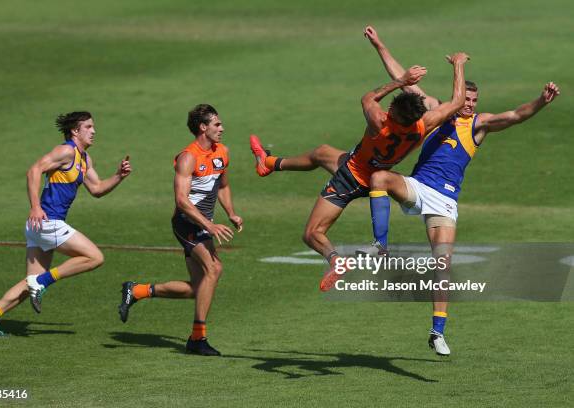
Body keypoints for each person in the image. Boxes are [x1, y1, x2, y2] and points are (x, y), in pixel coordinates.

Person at [364, 25, 560, 355]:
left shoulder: (478, 125)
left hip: (445, 201)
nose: (469, 104)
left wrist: (541, 100)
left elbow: (515, 115)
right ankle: (379, 247)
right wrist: (380, 46)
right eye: (466, 99)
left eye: (474, 100)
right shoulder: (439, 111)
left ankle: (437, 331)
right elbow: (405, 80)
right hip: (418, 186)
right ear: (459, 96)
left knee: (442, 263)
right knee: (380, 178)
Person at [250, 32, 469, 292]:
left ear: (393, 116)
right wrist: (458, 64)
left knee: (312, 233)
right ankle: (270, 163)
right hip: (378, 172)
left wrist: (400, 81)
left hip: (352, 176)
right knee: (321, 152)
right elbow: (456, 102)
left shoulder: (379, 123)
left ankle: (335, 261)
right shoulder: (423, 126)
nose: (387, 109)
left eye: (392, 109)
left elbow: (367, 98)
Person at [0, 111, 132, 336]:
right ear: (75, 131)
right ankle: (43, 281)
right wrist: (35, 206)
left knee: (30, 284)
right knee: (95, 257)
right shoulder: (65, 151)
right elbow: (34, 170)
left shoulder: (84, 159)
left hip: (41, 226)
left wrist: (118, 176)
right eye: (88, 127)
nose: (94, 131)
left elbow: (96, 189)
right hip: (47, 221)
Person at [118, 104, 242, 356]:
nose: (222, 128)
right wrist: (208, 224)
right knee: (214, 269)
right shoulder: (188, 157)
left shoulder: (222, 152)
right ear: (202, 127)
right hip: (186, 223)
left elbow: (223, 186)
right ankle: (197, 338)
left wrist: (231, 213)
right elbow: (182, 201)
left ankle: (137, 290)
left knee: (198, 288)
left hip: (203, 224)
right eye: (217, 124)